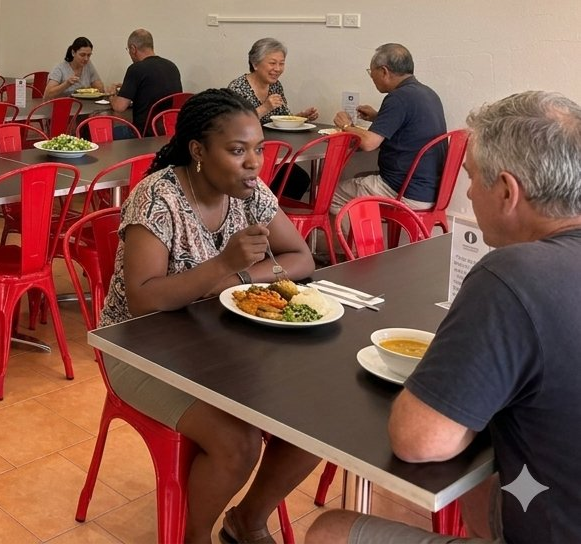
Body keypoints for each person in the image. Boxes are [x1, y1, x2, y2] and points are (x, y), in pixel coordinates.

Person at [308, 90, 581, 544]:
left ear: (508, 191)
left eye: (471, 178)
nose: (467, 191)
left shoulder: (513, 275)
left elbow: (419, 441)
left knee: (329, 530)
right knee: (482, 490)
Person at [98, 88, 319, 543]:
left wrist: (236, 280)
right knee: (237, 444)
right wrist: (223, 266)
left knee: (314, 419)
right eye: (237, 151)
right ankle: (194, 536)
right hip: (138, 348)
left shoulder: (249, 192)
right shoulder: (157, 198)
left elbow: (301, 256)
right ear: (198, 151)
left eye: (258, 149)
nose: (254, 163)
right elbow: (142, 299)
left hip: (219, 343)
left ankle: (248, 520)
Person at [330, 43, 447, 213]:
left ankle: (360, 240)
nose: (372, 77)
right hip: (432, 189)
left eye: (372, 72)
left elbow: (369, 143)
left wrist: (345, 126)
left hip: (405, 190)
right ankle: (365, 236)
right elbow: (410, 125)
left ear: (384, 71)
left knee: (327, 195)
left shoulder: (398, 97)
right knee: (358, 180)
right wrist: (378, 117)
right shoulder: (427, 93)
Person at [228, 37, 318, 200]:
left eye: (281, 63)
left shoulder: (276, 85)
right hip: (247, 156)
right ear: (255, 64)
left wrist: (301, 117)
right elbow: (235, 125)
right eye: (272, 63)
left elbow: (282, 117)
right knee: (279, 184)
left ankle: (273, 215)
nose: (277, 69)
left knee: (300, 180)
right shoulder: (238, 87)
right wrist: (264, 108)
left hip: (274, 153)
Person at [110, 28, 183, 137]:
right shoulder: (172, 67)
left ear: (133, 48)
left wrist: (112, 94)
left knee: (101, 132)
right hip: (168, 132)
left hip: (143, 134)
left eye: (128, 50)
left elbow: (119, 107)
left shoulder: (136, 69)